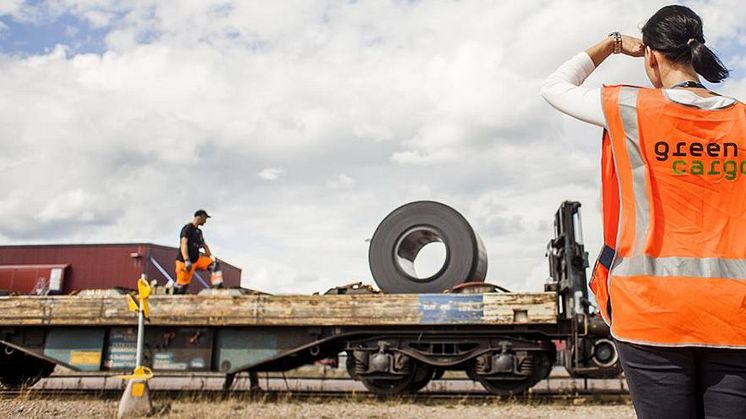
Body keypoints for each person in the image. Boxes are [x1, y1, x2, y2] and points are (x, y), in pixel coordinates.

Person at [542, 5, 746, 419]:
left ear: (650, 56)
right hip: (734, 314)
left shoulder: (628, 108)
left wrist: (614, 44)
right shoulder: (742, 119)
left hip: (652, 312)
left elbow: (555, 85)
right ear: (697, 52)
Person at [174, 209, 215, 294]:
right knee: (182, 286)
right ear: (199, 217)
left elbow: (204, 245)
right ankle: (174, 296)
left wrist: (211, 257)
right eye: (205, 218)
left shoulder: (199, 232)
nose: (205, 221)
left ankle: (218, 287)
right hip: (184, 261)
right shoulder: (188, 228)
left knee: (214, 265)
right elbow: (183, 244)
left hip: (196, 260)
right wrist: (186, 260)